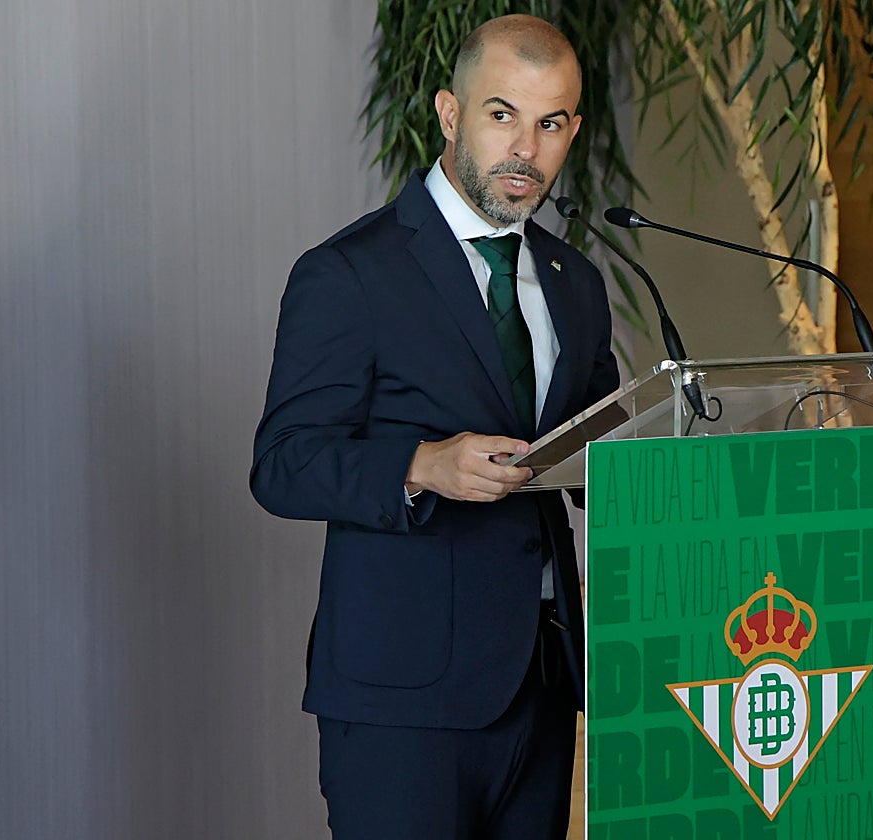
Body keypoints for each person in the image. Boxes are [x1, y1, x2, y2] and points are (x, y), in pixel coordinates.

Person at [250, 14, 619, 839]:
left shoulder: (576, 283)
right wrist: (419, 465)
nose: (527, 147)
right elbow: (281, 464)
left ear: (573, 131)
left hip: (542, 687)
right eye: (502, 115)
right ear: (451, 114)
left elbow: (603, 449)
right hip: (399, 701)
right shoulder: (348, 273)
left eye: (551, 123)